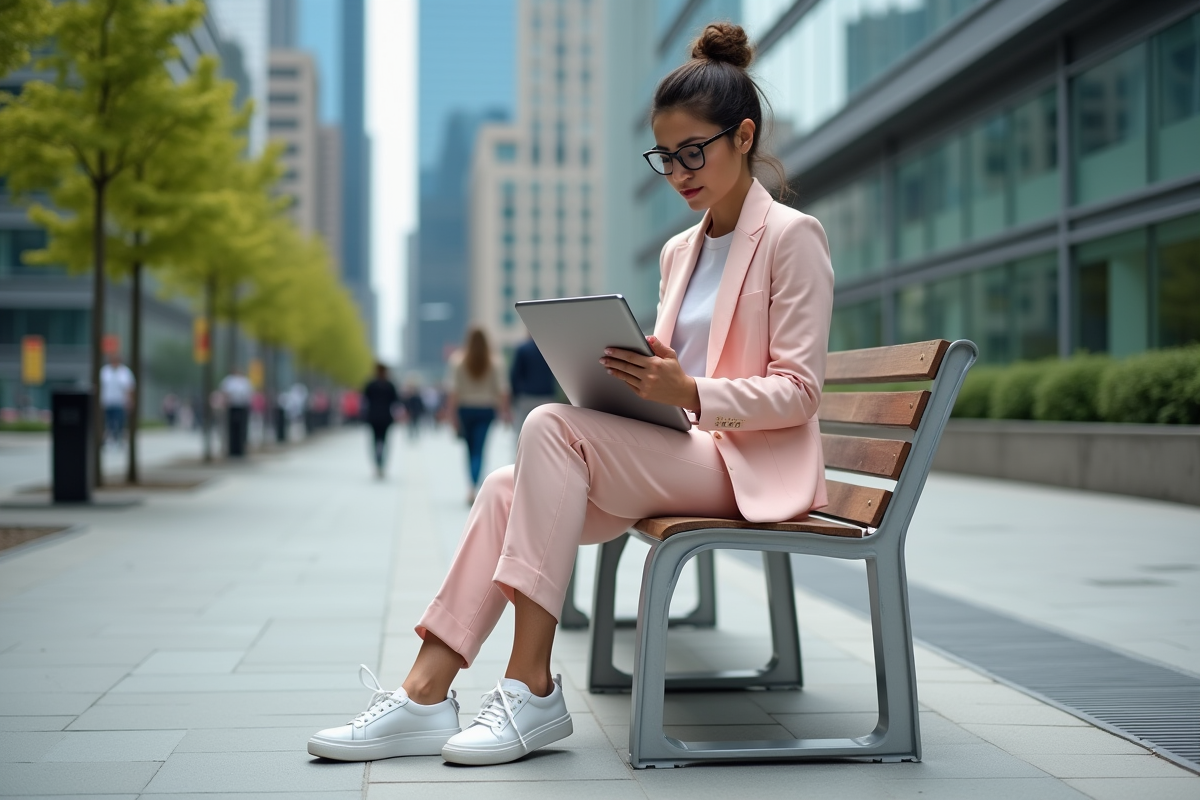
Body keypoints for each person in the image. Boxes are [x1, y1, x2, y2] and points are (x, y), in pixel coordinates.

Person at [307, 22, 832, 767]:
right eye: (665, 157)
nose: (679, 172)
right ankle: (425, 693)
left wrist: (692, 389)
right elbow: (675, 373)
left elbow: (801, 391)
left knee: (551, 428)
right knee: (500, 487)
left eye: (694, 153)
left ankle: (532, 690)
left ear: (742, 136)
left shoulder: (792, 237)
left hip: (749, 467)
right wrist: (643, 378)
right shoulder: (680, 250)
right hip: (686, 450)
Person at [444, 327, 510, 505]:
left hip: (465, 410)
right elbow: (502, 391)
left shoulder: (457, 361)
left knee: (469, 449)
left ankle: (471, 487)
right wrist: (505, 412)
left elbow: (453, 392)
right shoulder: (495, 362)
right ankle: (476, 485)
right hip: (486, 409)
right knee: (480, 449)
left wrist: (452, 416)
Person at [508, 334, 557, 437]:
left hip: (526, 398)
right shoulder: (549, 349)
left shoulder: (522, 349)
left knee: (522, 434)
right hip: (546, 397)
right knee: (543, 435)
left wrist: (515, 396)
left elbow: (514, 376)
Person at [362, 363, 400, 478]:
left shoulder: (371, 385)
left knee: (374, 441)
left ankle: (377, 463)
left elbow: (365, 399)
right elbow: (396, 401)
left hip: (373, 417)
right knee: (384, 441)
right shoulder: (389, 385)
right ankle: (381, 463)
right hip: (385, 418)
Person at [99, 351, 135, 447]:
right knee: (108, 422)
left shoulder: (125, 372)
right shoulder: (105, 371)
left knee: (119, 422)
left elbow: (129, 387)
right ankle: (109, 439)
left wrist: (130, 401)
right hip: (107, 402)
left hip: (120, 402)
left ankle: (118, 439)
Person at [220, 367, 254, 457]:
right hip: (231, 407)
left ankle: (241, 449)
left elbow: (249, 395)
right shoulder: (229, 380)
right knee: (232, 430)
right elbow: (224, 393)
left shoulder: (245, 381)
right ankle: (232, 449)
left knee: (242, 430)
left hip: (242, 407)